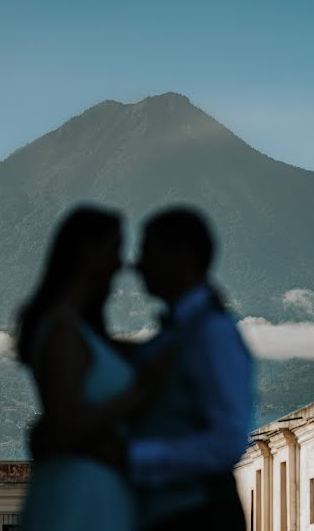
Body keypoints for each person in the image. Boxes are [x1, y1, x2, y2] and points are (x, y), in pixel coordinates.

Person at [16, 206, 171, 531]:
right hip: (77, 492)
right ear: (89, 251)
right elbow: (65, 420)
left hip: (94, 489)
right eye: (114, 249)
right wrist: (139, 394)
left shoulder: (81, 332)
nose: (121, 263)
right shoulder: (62, 331)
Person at [128, 207, 252, 530]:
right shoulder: (183, 331)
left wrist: (134, 456)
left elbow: (228, 440)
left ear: (182, 257)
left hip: (199, 516)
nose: (136, 265)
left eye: (147, 252)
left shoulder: (214, 333)